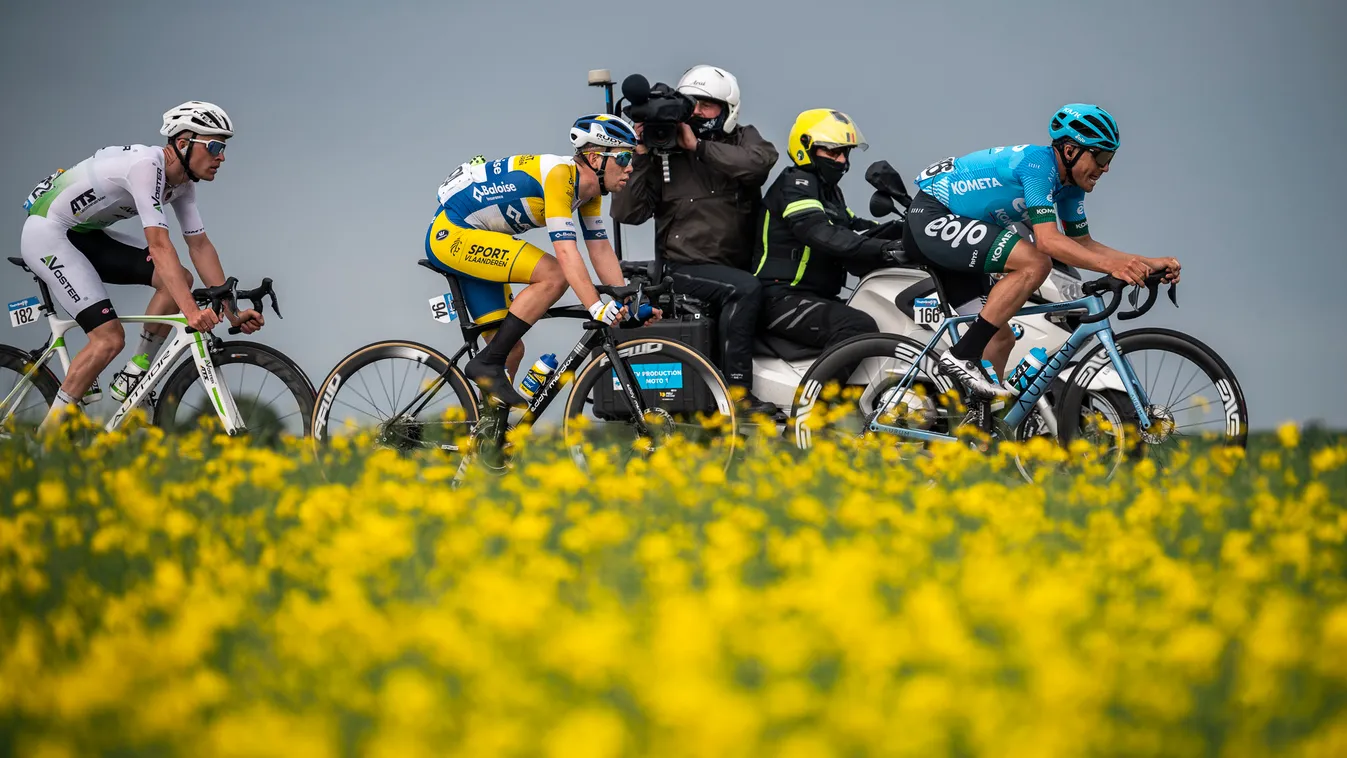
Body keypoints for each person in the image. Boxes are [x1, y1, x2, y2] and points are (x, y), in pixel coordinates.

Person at [901, 103, 1181, 396]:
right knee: (1036, 262)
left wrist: (1147, 263)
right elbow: (1047, 241)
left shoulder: (1070, 186)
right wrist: (1114, 268)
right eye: (1101, 155)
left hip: (959, 230)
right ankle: (961, 356)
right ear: (1071, 151)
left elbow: (1082, 243)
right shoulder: (1038, 165)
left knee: (1000, 340)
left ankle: (976, 430)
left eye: (1110, 157)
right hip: (931, 216)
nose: (1106, 167)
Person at [20, 100, 263, 435]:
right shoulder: (147, 166)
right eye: (215, 146)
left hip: (85, 234)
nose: (222, 157)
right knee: (107, 339)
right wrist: (191, 311)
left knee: (180, 279)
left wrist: (232, 311)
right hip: (48, 234)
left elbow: (199, 246)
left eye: (224, 147)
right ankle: (43, 444)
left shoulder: (183, 185)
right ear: (183, 143)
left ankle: (136, 372)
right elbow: (160, 246)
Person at [426, 113, 646, 407]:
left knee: (512, 350)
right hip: (453, 235)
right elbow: (566, 252)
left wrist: (628, 306)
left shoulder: (590, 192)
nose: (629, 167)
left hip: (474, 238)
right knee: (554, 275)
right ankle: (487, 363)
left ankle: (483, 438)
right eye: (622, 158)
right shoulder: (560, 176)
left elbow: (600, 250)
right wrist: (596, 307)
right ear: (595, 158)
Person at [610, 64, 780, 415]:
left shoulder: (743, 138)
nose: (698, 112)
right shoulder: (661, 153)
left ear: (728, 109)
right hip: (682, 267)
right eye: (692, 104)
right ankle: (736, 396)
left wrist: (698, 147)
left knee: (756, 289)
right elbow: (628, 214)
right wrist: (641, 154)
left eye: (707, 105)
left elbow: (760, 163)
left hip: (734, 266)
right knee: (745, 289)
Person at [754, 109, 904, 349]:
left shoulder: (828, 191)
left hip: (813, 297)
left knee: (884, 316)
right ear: (807, 148)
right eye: (833, 152)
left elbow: (856, 227)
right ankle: (822, 388)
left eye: (844, 153)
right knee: (856, 327)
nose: (842, 160)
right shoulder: (796, 183)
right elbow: (818, 231)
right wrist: (885, 249)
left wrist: (904, 231)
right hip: (781, 298)